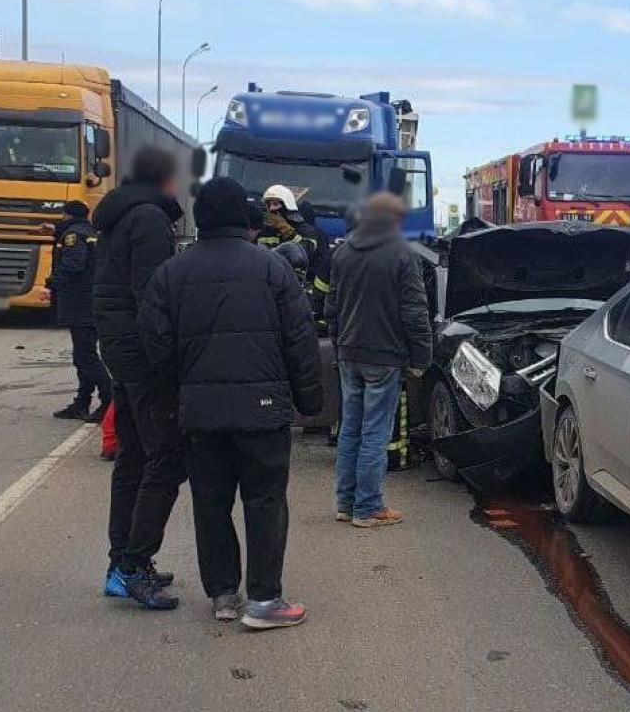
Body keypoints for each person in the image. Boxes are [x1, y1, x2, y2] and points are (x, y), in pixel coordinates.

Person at [139, 177, 322, 629]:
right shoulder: (271, 268)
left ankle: (223, 594)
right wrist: (309, 401)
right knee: (264, 501)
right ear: (244, 218)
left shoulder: (172, 272)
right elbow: (301, 339)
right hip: (263, 410)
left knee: (211, 502)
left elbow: (154, 341)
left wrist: (175, 392)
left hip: (202, 414)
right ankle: (264, 601)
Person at [92, 146, 188, 610]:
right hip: (143, 357)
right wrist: (169, 362)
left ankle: (122, 564)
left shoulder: (118, 217)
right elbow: (154, 299)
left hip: (119, 350)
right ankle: (133, 566)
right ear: (165, 181)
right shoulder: (148, 219)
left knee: (132, 458)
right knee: (166, 458)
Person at [325, 192, 432, 528]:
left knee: (350, 429)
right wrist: (421, 357)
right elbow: (415, 313)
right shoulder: (402, 255)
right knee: (375, 432)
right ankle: (368, 507)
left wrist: (339, 343)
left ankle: (345, 503)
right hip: (383, 357)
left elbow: (331, 307)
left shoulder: (343, 252)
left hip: (349, 353)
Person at [46, 201, 111, 422]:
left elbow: (74, 264)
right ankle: (82, 402)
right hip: (90, 301)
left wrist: (52, 282)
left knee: (85, 356)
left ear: (67, 215)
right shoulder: (90, 232)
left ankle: (108, 398)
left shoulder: (73, 236)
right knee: (83, 355)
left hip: (80, 304)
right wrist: (54, 231)